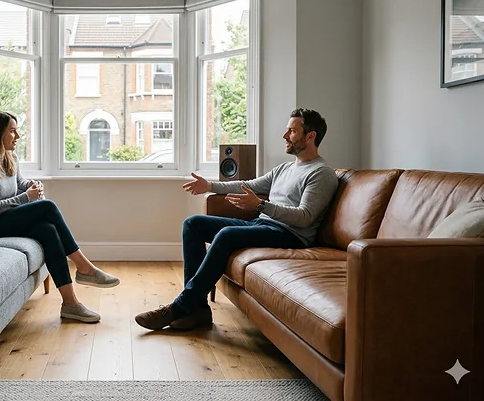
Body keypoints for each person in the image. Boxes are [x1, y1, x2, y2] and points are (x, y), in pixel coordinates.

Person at [134, 108, 339, 331]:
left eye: (292, 131)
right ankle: (199, 310)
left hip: (290, 235)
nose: (285, 136)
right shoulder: (285, 168)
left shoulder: (321, 173)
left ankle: (181, 307)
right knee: (193, 224)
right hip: (263, 224)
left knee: (227, 234)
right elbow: (248, 185)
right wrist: (210, 186)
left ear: (311, 136)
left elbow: (305, 217)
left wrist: (261, 205)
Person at [0, 110, 120, 323]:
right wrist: (27, 197)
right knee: (47, 207)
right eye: (12, 131)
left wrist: (30, 185)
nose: (17, 137)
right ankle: (85, 267)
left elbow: (18, 184)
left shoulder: (10, 157)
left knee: (48, 230)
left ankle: (71, 304)